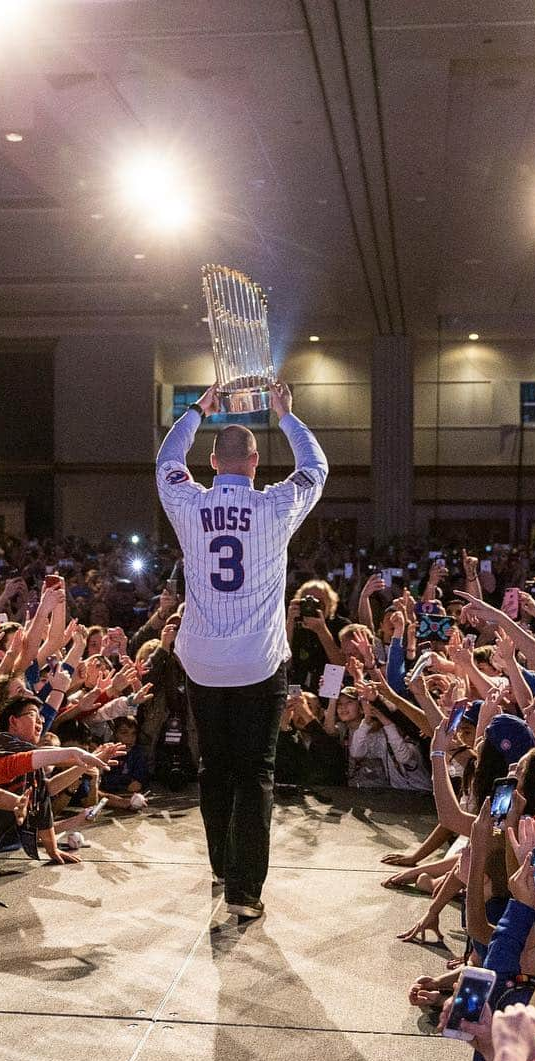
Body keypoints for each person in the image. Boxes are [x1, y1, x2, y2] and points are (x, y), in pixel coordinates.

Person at [155, 381, 328, 919]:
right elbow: (315, 468)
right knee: (255, 771)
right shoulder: (276, 504)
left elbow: (166, 458)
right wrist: (286, 416)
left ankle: (221, 863)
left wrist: (199, 408)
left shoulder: (187, 501)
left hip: (202, 658)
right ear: (254, 462)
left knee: (216, 765)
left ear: (211, 461)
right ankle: (244, 890)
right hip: (257, 660)